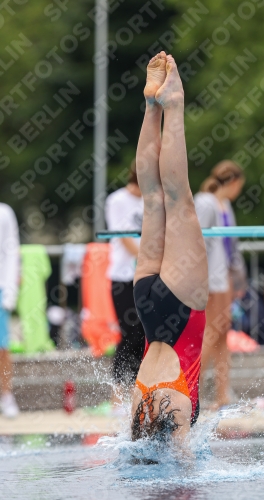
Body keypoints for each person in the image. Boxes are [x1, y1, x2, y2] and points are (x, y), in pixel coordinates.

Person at [131, 51, 208, 441]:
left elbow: (180, 471)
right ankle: (150, 106)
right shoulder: (139, 405)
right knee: (153, 199)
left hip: (180, 311)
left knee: (178, 199)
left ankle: (172, 105)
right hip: (145, 304)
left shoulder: (174, 406)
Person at [194, 162, 247, 410]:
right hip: (211, 277)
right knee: (211, 333)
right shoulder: (206, 202)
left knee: (223, 334)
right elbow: (198, 241)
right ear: (234, 182)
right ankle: (193, 389)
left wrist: (238, 278)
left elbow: (230, 246)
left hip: (223, 275)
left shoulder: (225, 205)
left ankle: (222, 393)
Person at [105, 162, 145, 414]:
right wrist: (150, 257)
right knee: (128, 333)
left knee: (144, 334)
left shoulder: (151, 201)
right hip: (123, 275)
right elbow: (125, 238)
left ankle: (136, 391)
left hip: (145, 275)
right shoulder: (117, 200)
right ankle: (118, 394)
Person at [0, 203, 20, 418]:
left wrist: (9, 291)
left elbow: (11, 252)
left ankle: (6, 396)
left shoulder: (4, 212)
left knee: (2, 347)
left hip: (0, 288)